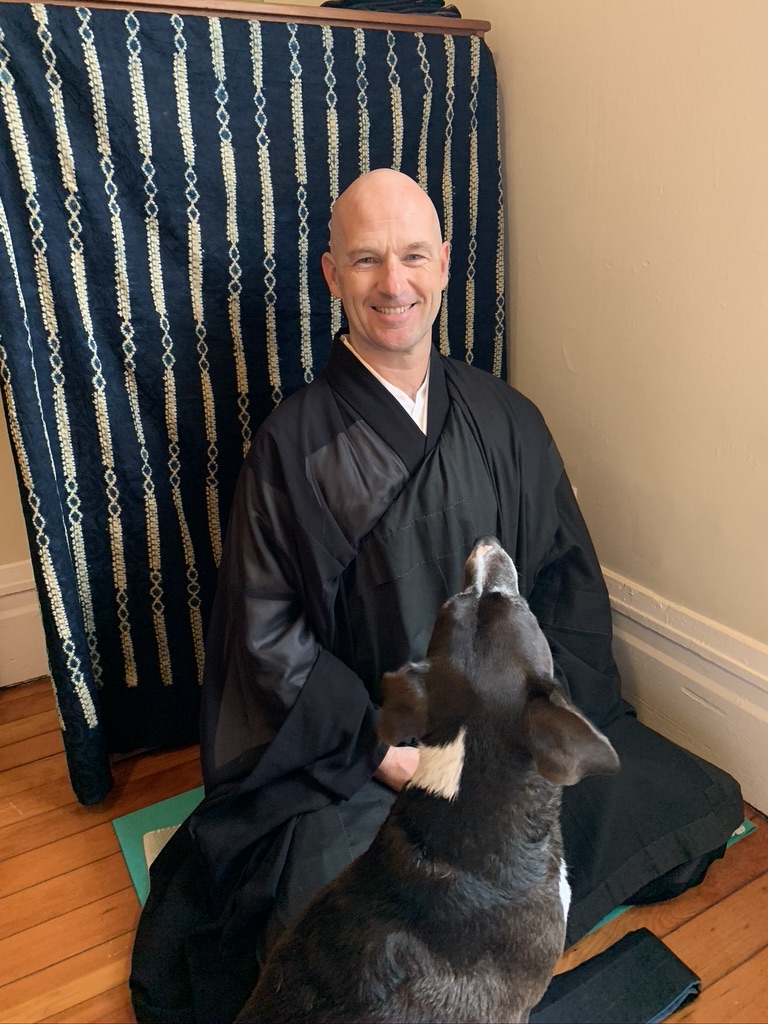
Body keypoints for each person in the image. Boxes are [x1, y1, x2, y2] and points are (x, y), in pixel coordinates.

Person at [130, 169, 743, 1024]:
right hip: (367, 767)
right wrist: (381, 756)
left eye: (414, 256)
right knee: (333, 940)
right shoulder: (291, 447)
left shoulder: (506, 416)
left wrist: (531, 740)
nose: (394, 284)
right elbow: (267, 644)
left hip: (495, 762)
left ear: (446, 266)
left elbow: (567, 577)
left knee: (688, 802)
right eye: (367, 260)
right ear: (331, 274)